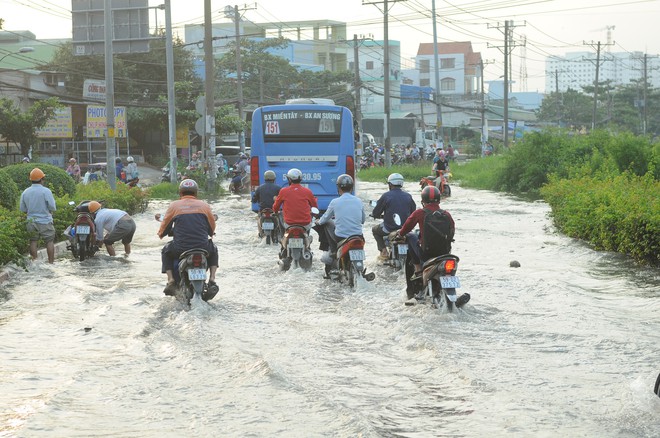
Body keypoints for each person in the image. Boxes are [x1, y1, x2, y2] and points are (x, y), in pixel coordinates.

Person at [157, 179, 219, 296]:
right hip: (203, 247)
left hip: (180, 248)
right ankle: (212, 279)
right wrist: (211, 233)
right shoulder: (204, 206)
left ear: (180, 193)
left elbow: (165, 227)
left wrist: (161, 234)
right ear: (196, 193)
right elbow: (212, 227)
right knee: (214, 249)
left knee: (165, 251)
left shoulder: (174, 206)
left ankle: (170, 281)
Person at [394, 186, 455, 302]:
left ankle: (417, 268)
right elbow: (452, 232)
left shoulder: (420, 213)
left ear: (423, 200)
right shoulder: (447, 215)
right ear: (439, 200)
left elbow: (406, 229)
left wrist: (400, 235)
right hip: (444, 254)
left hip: (426, 254)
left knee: (410, 236)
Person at [315, 174, 365, 265]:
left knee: (327, 224)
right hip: (358, 236)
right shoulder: (359, 201)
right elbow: (362, 220)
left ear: (338, 188)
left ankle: (333, 251)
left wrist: (318, 221)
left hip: (341, 237)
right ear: (352, 188)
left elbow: (324, 219)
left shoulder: (335, 202)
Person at [371, 173, 417, 261]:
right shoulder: (408, 196)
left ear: (390, 184)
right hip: (405, 229)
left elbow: (376, 212)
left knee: (375, 230)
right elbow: (413, 212)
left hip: (389, 228)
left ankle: (384, 251)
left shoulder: (386, 196)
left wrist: (375, 215)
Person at [19, 168, 57, 263]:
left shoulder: (25, 192)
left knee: (33, 241)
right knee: (49, 241)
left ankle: (34, 263)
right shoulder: (46, 191)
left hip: (31, 221)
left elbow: (22, 209)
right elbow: (52, 207)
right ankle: (51, 262)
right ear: (42, 179)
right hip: (45, 221)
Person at [272, 168, 318, 232]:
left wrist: (276, 211)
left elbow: (276, 207)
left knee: (280, 218)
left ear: (289, 179)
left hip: (289, 224)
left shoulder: (283, 191)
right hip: (305, 224)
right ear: (300, 179)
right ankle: (307, 237)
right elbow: (315, 207)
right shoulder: (308, 191)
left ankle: (283, 238)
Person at [252, 170, 282, 235]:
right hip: (274, 211)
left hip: (263, 210)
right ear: (274, 178)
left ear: (265, 178)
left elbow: (254, 199)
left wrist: (254, 200)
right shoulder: (278, 188)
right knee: (281, 218)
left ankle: (260, 233)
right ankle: (279, 232)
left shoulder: (259, 188)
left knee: (258, 219)